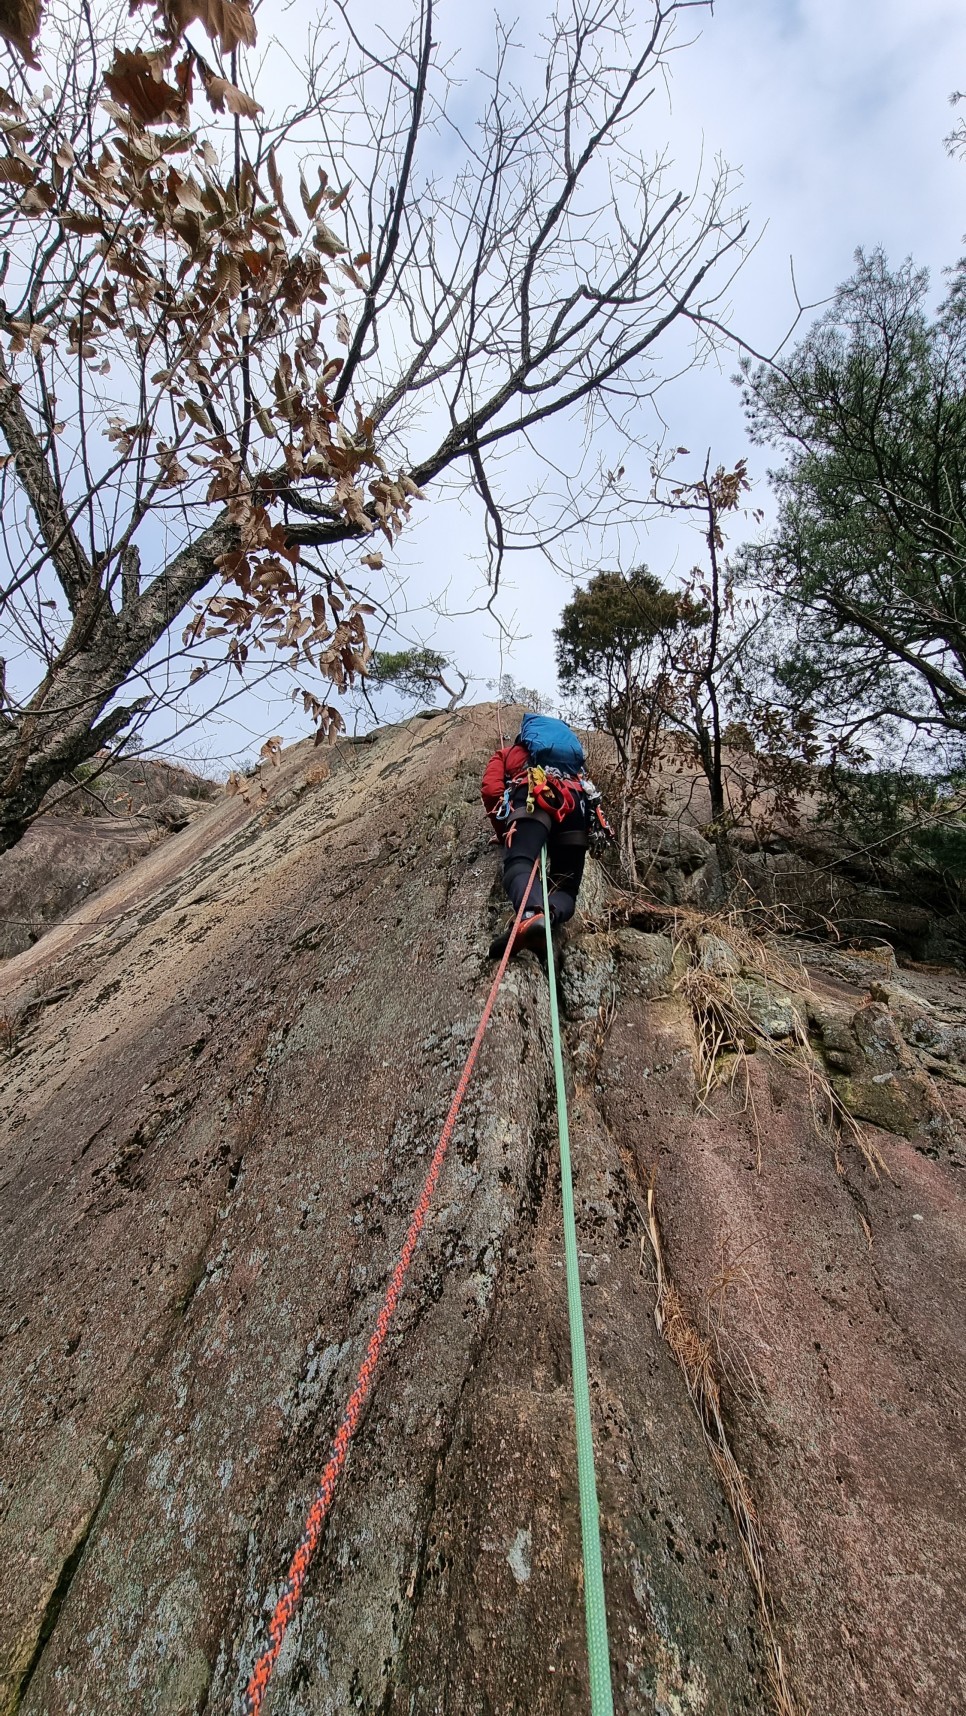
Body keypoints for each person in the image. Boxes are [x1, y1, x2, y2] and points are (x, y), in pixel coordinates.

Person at [481, 712, 601, 958]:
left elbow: (492, 790)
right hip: (576, 803)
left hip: (534, 796)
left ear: (524, 738)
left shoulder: (509, 753)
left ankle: (531, 916)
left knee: (520, 863)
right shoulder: (572, 764)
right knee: (566, 888)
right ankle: (550, 915)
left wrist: (504, 833)